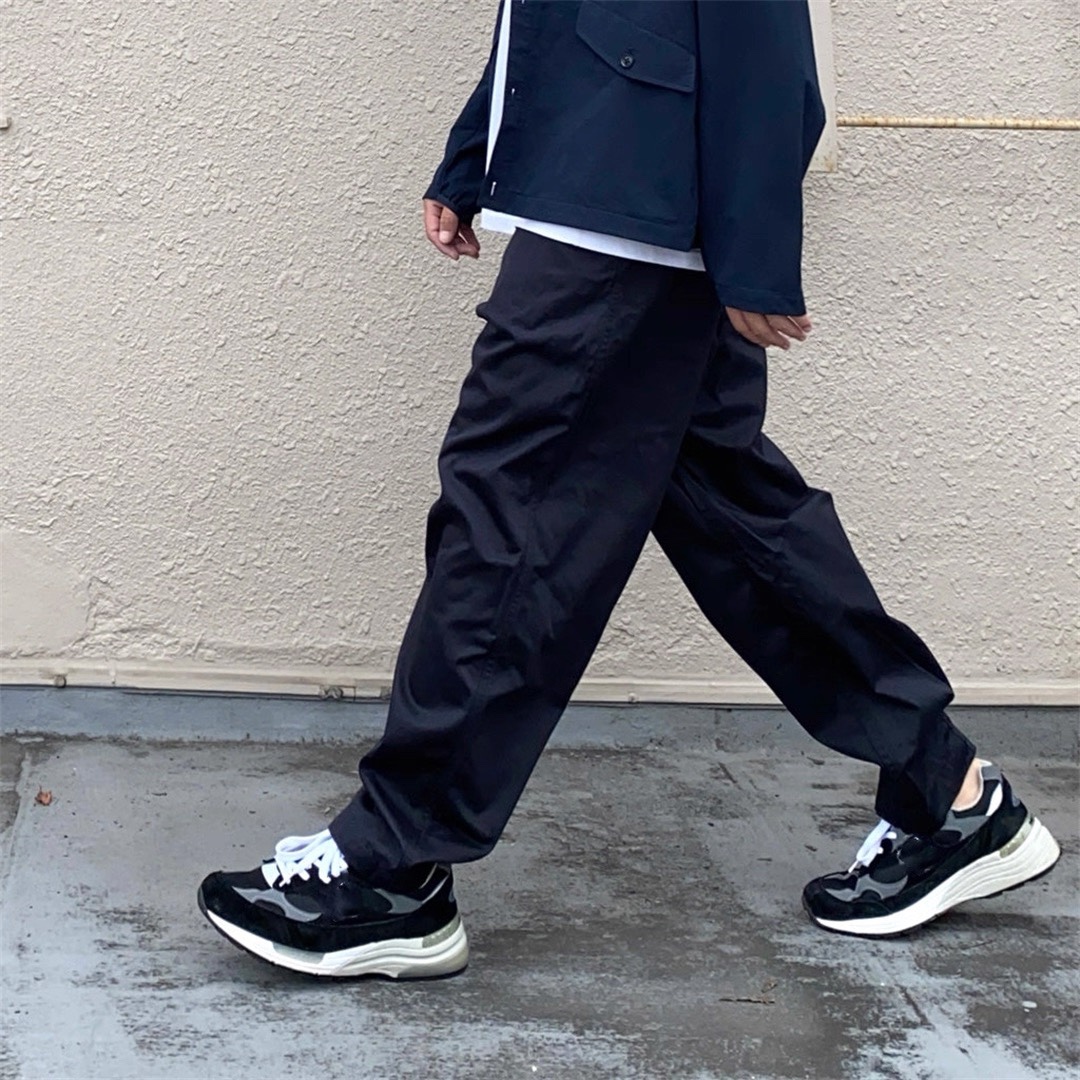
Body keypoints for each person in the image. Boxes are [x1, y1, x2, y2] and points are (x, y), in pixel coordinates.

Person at [198, 0, 1059, 978]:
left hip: (629, 205)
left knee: (511, 506)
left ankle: (394, 868)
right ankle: (951, 794)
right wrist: (481, 146)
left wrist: (756, 246)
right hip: (609, 176)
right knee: (727, 508)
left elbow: (758, 22)